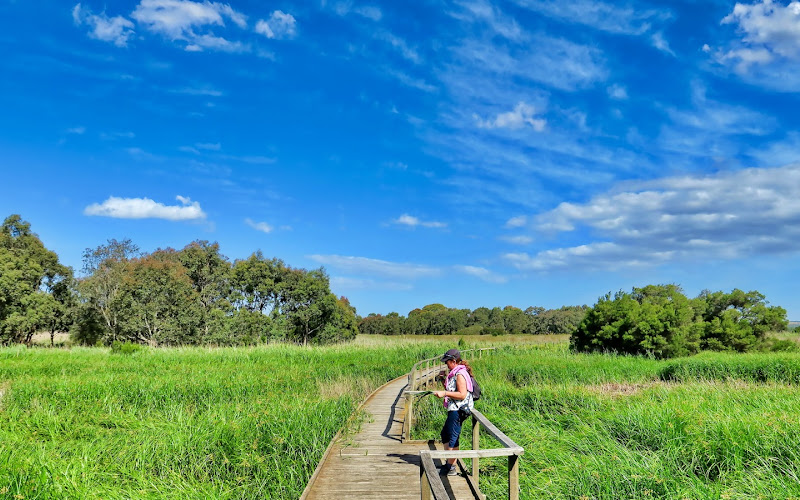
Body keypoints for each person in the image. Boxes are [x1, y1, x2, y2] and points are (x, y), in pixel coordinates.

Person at [433, 348, 474, 476]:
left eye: (447, 362)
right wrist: (442, 380)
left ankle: (451, 467)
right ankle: (449, 463)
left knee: (452, 437)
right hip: (453, 409)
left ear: (454, 361)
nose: (446, 364)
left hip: (458, 410)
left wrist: (444, 393)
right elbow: (453, 390)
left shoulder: (460, 374)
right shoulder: (454, 372)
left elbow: (461, 394)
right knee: (446, 434)